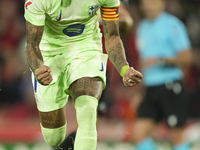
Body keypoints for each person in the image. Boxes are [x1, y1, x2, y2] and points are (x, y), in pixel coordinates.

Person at [24, 0, 143, 149]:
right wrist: (38, 68)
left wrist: (125, 69)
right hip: (49, 54)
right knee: (53, 137)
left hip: (86, 48)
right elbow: (32, 45)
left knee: (88, 109)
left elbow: (113, 36)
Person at [132, 0, 192, 150]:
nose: (147, 6)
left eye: (151, 2)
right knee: (139, 133)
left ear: (161, 3)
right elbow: (143, 62)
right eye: (144, 3)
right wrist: (139, 92)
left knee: (176, 136)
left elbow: (187, 57)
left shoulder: (173, 25)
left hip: (169, 85)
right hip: (150, 89)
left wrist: (160, 59)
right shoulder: (142, 27)